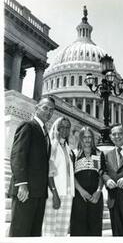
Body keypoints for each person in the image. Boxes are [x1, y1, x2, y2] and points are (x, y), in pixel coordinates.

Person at [8, 96, 55, 237]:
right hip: (26, 191)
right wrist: (22, 184)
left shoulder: (45, 133)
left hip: (39, 193)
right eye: (45, 108)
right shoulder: (28, 126)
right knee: (20, 232)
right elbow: (17, 156)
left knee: (33, 233)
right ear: (36, 108)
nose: (48, 112)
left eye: (51, 110)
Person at [42, 117, 75, 236]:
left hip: (67, 192)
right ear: (56, 128)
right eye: (62, 127)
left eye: (67, 127)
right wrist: (54, 193)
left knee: (62, 229)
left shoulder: (68, 148)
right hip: (54, 192)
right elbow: (49, 171)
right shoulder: (52, 145)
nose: (65, 130)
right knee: (50, 230)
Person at [70, 126, 105, 236]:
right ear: (80, 138)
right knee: (78, 228)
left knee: (94, 228)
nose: (87, 140)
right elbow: (71, 175)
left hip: (95, 196)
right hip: (79, 196)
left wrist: (99, 190)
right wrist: (81, 191)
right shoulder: (74, 154)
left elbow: (101, 174)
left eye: (89, 137)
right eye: (84, 137)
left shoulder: (99, 154)